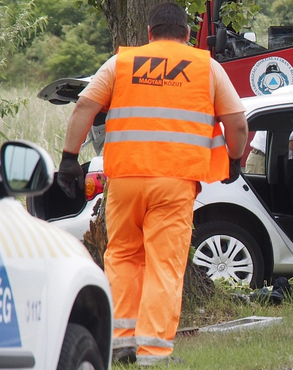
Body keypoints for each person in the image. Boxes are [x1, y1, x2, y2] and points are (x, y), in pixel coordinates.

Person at [56, 2, 248, 366]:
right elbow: (236, 123)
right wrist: (235, 160)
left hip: (125, 179)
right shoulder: (207, 67)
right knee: (164, 264)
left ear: (149, 33)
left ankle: (118, 341)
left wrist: (68, 159)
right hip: (173, 182)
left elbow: (84, 107)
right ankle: (154, 351)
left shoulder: (121, 64)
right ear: (187, 35)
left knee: (122, 256)